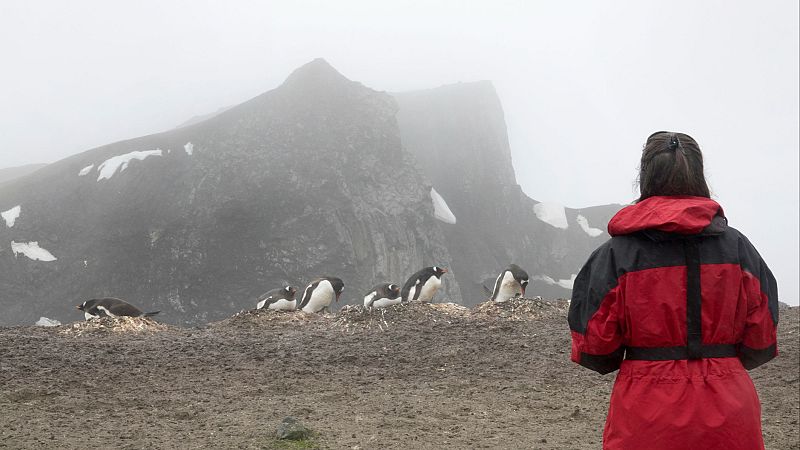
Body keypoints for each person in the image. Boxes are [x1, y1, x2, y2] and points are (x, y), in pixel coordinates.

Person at [568, 131, 778, 449]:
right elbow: (761, 337)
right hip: (730, 407)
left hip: (646, 410)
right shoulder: (737, 248)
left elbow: (596, 348)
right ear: (699, 174)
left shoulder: (616, 254)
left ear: (645, 176)